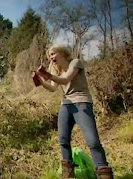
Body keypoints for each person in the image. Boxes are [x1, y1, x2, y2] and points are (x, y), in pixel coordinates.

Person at [34, 45, 113, 179]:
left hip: (81, 102)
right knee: (63, 140)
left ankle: (104, 173)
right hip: (66, 105)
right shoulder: (57, 71)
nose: (51, 57)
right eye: (50, 55)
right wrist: (41, 81)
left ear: (62, 52)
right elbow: (53, 88)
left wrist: (47, 75)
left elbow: (65, 80)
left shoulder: (76, 63)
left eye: (54, 54)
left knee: (92, 140)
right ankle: (68, 174)